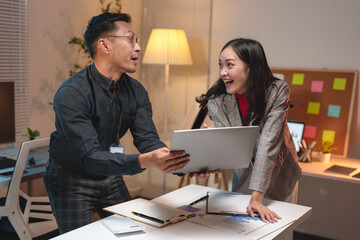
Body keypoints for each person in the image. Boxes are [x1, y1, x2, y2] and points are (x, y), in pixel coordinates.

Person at [43, 12, 190, 234]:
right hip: (71, 178)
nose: (138, 47)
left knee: (133, 234)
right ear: (105, 45)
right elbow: (89, 157)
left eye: (137, 41)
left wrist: (183, 162)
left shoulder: (136, 91)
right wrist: (143, 161)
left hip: (109, 175)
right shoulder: (72, 93)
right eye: (131, 39)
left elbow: (147, 139)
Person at [196, 38, 302, 223]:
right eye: (220, 65)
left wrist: (256, 198)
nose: (222, 72)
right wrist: (213, 144)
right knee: (242, 226)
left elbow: (268, 144)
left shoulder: (277, 91)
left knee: (279, 227)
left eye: (229, 65)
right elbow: (233, 147)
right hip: (244, 171)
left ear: (251, 67)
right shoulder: (217, 101)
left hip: (280, 172)